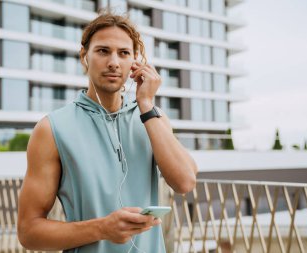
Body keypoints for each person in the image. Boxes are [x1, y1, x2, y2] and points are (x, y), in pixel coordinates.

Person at [17, 11, 198, 253]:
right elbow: (29, 232)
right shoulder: (51, 129)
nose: (114, 62)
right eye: (103, 51)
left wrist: (146, 105)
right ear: (84, 56)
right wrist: (102, 229)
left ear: (136, 61)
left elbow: (185, 182)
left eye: (123, 53)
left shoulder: (153, 117)